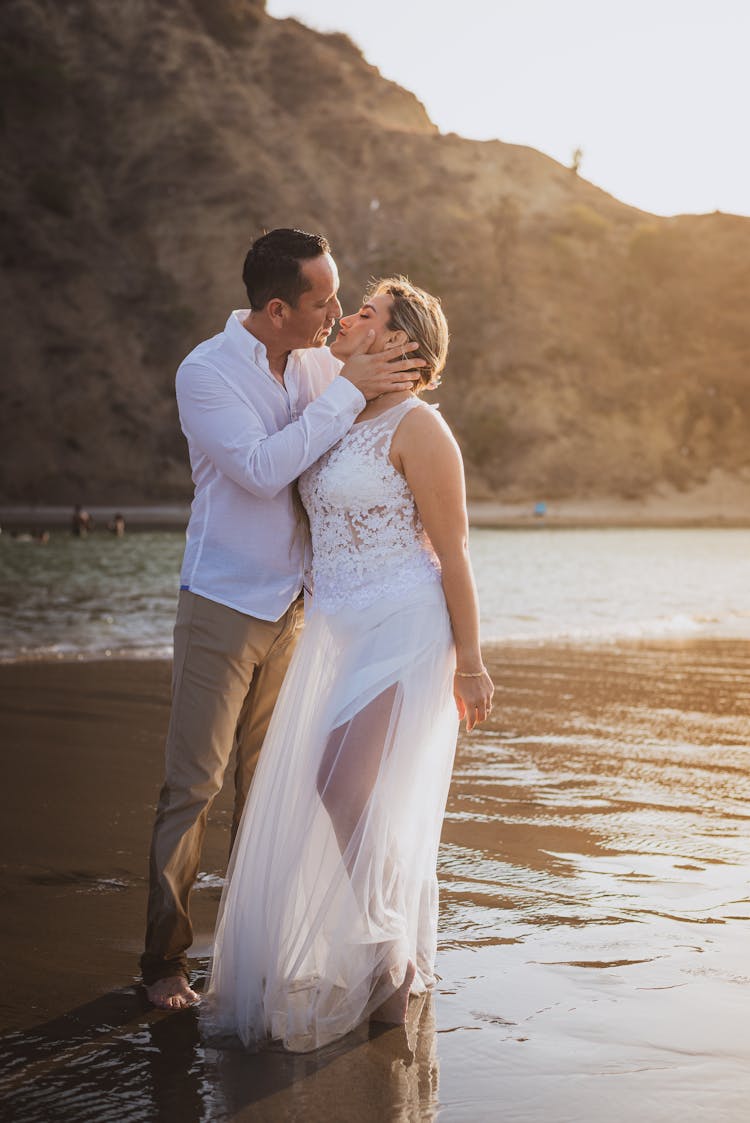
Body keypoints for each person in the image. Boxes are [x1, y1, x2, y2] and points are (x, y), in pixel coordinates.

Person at [202, 276, 494, 1052]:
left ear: (400, 342)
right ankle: (385, 949)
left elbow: (454, 551)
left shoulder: (421, 427)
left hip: (403, 624)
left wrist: (471, 660)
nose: (346, 316)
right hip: (335, 628)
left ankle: (389, 952)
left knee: (340, 780)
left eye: (367, 311)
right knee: (342, 789)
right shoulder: (333, 408)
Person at [141, 230, 425, 1010]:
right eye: (322, 301)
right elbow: (266, 471)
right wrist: (346, 388)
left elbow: (371, 417)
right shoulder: (206, 374)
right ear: (275, 310)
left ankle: (245, 953)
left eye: (340, 297)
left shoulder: (312, 360)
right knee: (193, 784)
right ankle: (163, 961)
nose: (336, 311)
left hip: (297, 607)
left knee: (269, 790)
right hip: (225, 602)